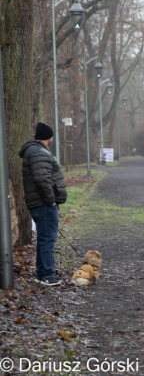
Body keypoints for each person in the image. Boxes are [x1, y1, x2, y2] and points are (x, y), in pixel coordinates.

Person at [19, 122, 68, 286]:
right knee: (47, 239)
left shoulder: (34, 151)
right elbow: (42, 179)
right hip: (44, 204)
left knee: (44, 238)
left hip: (40, 203)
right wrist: (51, 200)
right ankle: (47, 274)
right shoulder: (39, 152)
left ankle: (41, 273)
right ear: (49, 137)